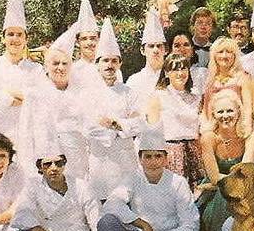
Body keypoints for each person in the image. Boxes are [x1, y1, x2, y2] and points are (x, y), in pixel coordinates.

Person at [21, 28, 101, 183]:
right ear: (46, 66)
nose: (61, 67)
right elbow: (25, 136)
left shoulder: (82, 94)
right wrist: (29, 171)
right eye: (55, 63)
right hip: (44, 166)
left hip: (77, 167)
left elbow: (91, 130)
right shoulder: (34, 95)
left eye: (65, 63)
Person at [0, 0, 44, 174]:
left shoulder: (36, 70)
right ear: (3, 38)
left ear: (26, 39)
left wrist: (5, 91)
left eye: (19, 34)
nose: (14, 39)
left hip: (27, 141)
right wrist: (22, 97)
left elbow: (41, 101)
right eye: (10, 34)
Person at [197, 89, 254, 231]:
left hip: (243, 190)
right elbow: (215, 177)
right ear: (213, 114)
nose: (225, 116)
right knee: (222, 200)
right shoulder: (208, 137)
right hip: (215, 191)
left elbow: (245, 172)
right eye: (220, 112)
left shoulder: (250, 136)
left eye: (230, 111)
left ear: (238, 112)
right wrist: (215, 185)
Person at [87, 18, 146, 202]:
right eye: (105, 60)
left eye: (114, 61)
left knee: (128, 206)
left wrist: (113, 123)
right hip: (100, 164)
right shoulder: (87, 93)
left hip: (125, 164)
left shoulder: (129, 92)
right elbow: (88, 126)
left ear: (119, 64)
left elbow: (139, 123)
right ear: (97, 64)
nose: (109, 65)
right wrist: (121, 128)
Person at [145, 54, 203, 187]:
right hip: (170, 152)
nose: (180, 73)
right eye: (175, 69)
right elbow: (152, 132)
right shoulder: (159, 96)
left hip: (194, 151)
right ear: (166, 73)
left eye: (184, 69)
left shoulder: (196, 96)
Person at [200, 36, 254, 136]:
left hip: (238, 131)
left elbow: (248, 108)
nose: (224, 56)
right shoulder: (210, 80)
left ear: (235, 56)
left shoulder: (244, 77)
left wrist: (246, 131)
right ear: (214, 56)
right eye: (220, 52)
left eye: (229, 52)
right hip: (216, 133)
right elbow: (206, 109)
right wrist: (206, 131)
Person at [126, 8, 167, 101]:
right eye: (151, 46)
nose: (155, 50)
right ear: (142, 51)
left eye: (159, 46)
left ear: (165, 50)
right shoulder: (134, 81)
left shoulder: (172, 77)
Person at [70, 0, 106, 88]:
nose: (89, 43)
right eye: (84, 39)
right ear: (78, 42)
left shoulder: (109, 69)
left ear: (99, 39)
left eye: (93, 38)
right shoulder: (72, 71)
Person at [168, 28, 208, 95]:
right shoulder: (166, 74)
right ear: (170, 51)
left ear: (192, 50)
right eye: (177, 46)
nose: (182, 49)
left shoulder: (203, 73)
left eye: (186, 45)